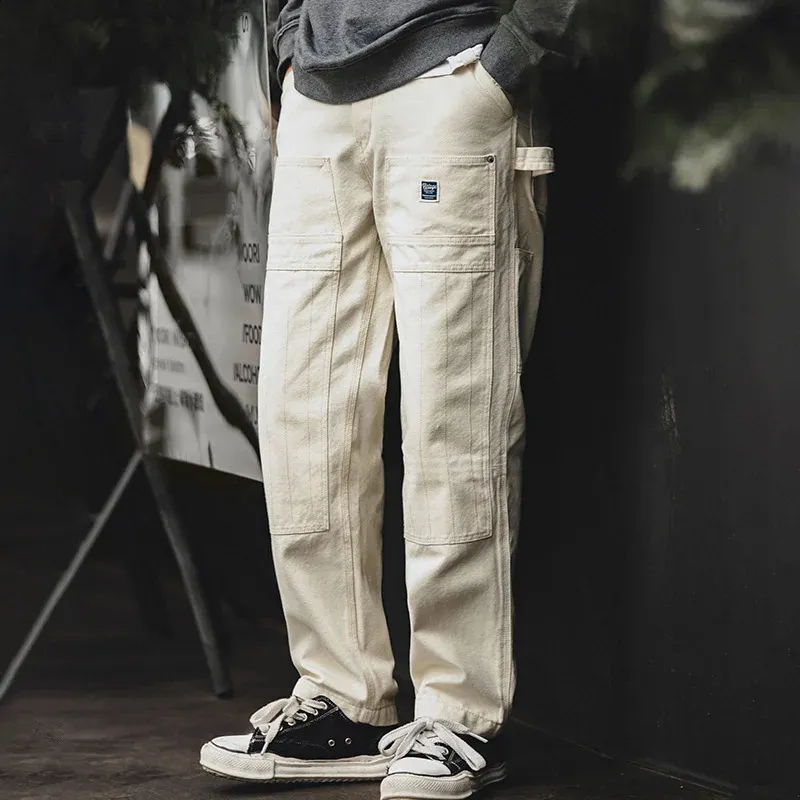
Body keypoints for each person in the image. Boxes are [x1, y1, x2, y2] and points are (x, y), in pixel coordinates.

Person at [201, 2, 578, 797]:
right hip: (320, 94)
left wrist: (512, 56)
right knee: (305, 420)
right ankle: (345, 701)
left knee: (454, 415)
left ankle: (461, 715)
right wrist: (290, 52)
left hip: (454, 77)